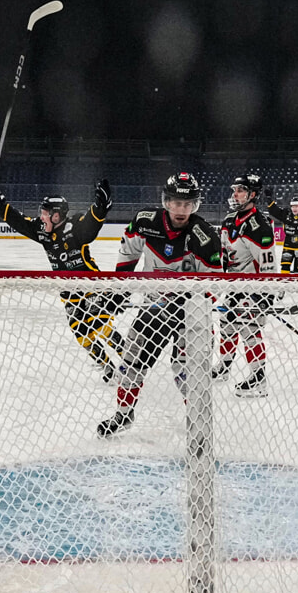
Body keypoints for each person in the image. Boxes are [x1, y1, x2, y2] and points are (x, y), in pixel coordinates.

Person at [98, 171, 222, 437]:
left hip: (191, 315)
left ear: (195, 205)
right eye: (177, 202)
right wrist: (120, 289)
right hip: (153, 308)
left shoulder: (204, 236)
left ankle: (198, 422)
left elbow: (213, 285)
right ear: (166, 202)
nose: (182, 210)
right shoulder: (145, 222)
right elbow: (128, 254)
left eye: (188, 204)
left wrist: (187, 303)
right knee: (131, 362)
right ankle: (123, 414)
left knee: (188, 373)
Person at [0, 178, 124, 382]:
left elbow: (91, 225)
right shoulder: (43, 232)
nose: (41, 217)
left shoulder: (74, 227)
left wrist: (101, 206)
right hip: (68, 292)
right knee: (82, 336)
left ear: (57, 215)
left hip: (91, 286)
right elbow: (19, 222)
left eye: (45, 213)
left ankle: (130, 363)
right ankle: (107, 366)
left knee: (103, 328)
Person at [216, 174, 279, 397]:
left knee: (249, 330)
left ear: (252, 195)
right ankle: (224, 367)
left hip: (252, 289)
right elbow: (223, 254)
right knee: (226, 324)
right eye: (235, 190)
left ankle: (258, 379)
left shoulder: (259, 226)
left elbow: (268, 264)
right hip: (233, 287)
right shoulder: (229, 220)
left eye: (240, 190)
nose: (235, 194)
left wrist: (265, 296)